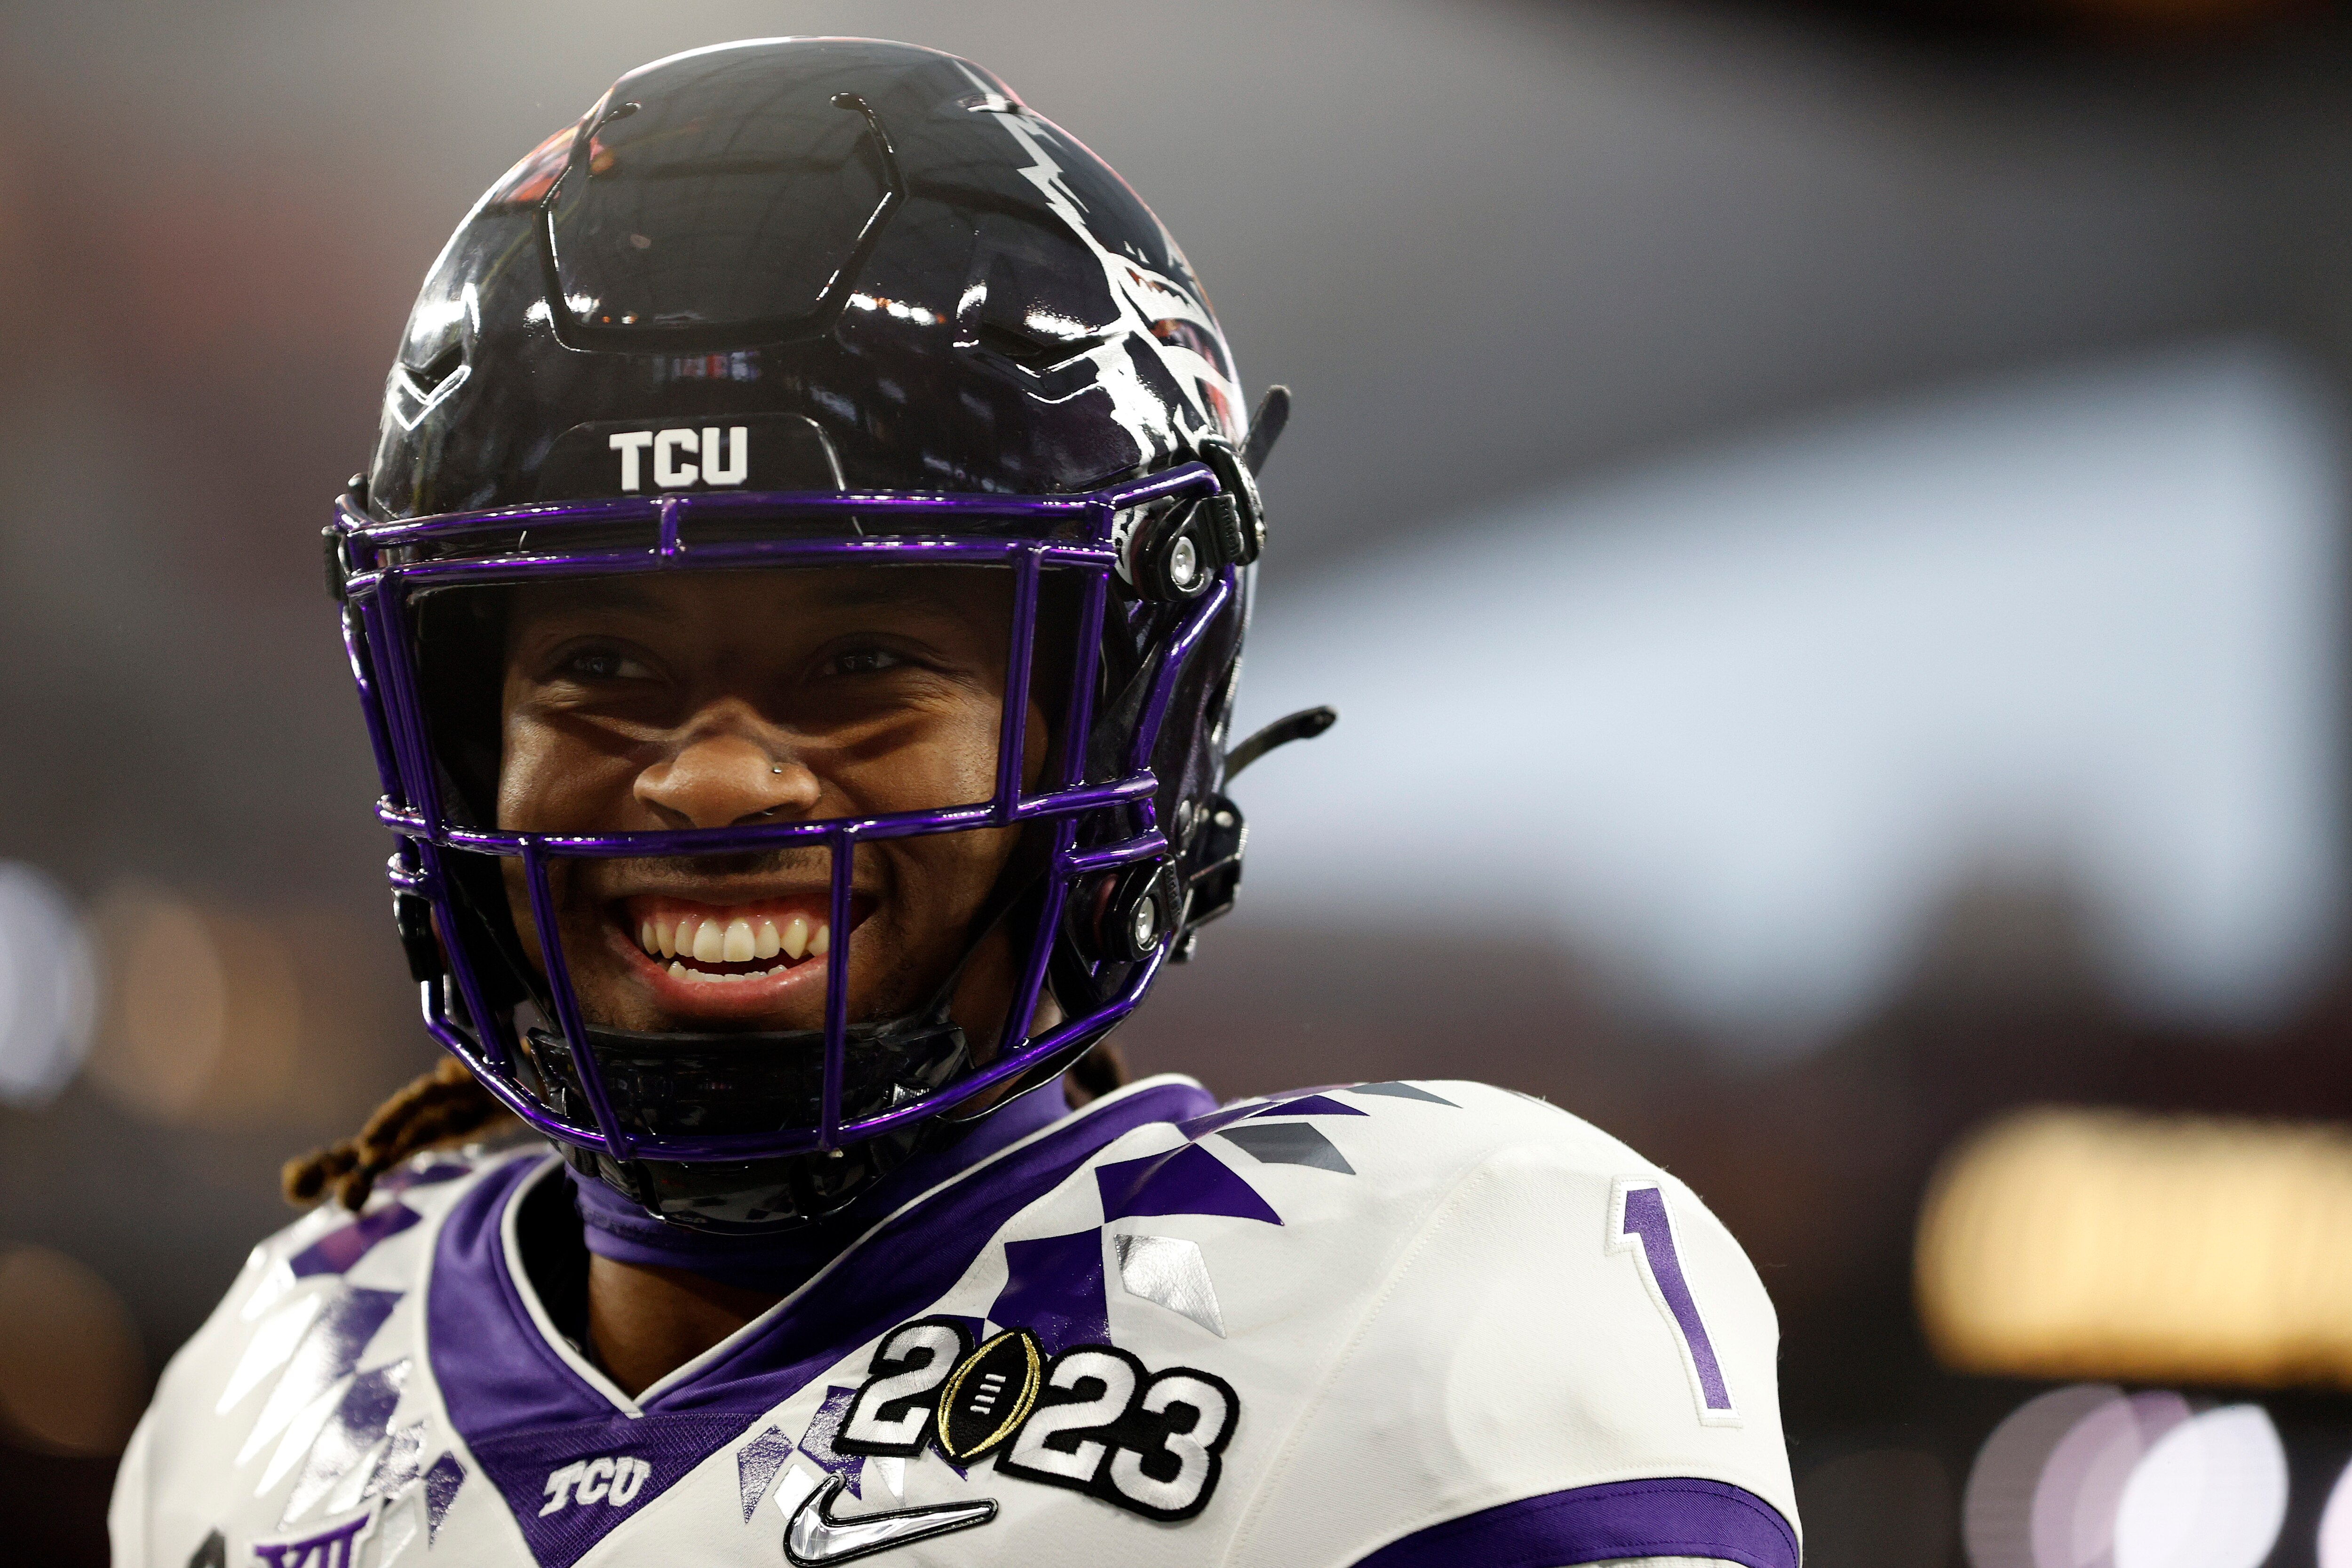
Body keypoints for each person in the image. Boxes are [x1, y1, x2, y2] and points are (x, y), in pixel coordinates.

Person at [109, 37, 1798, 1568]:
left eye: (858, 658)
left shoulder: (1424, 1305)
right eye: (602, 666)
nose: (708, 777)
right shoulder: (266, 1390)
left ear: (1121, 722)